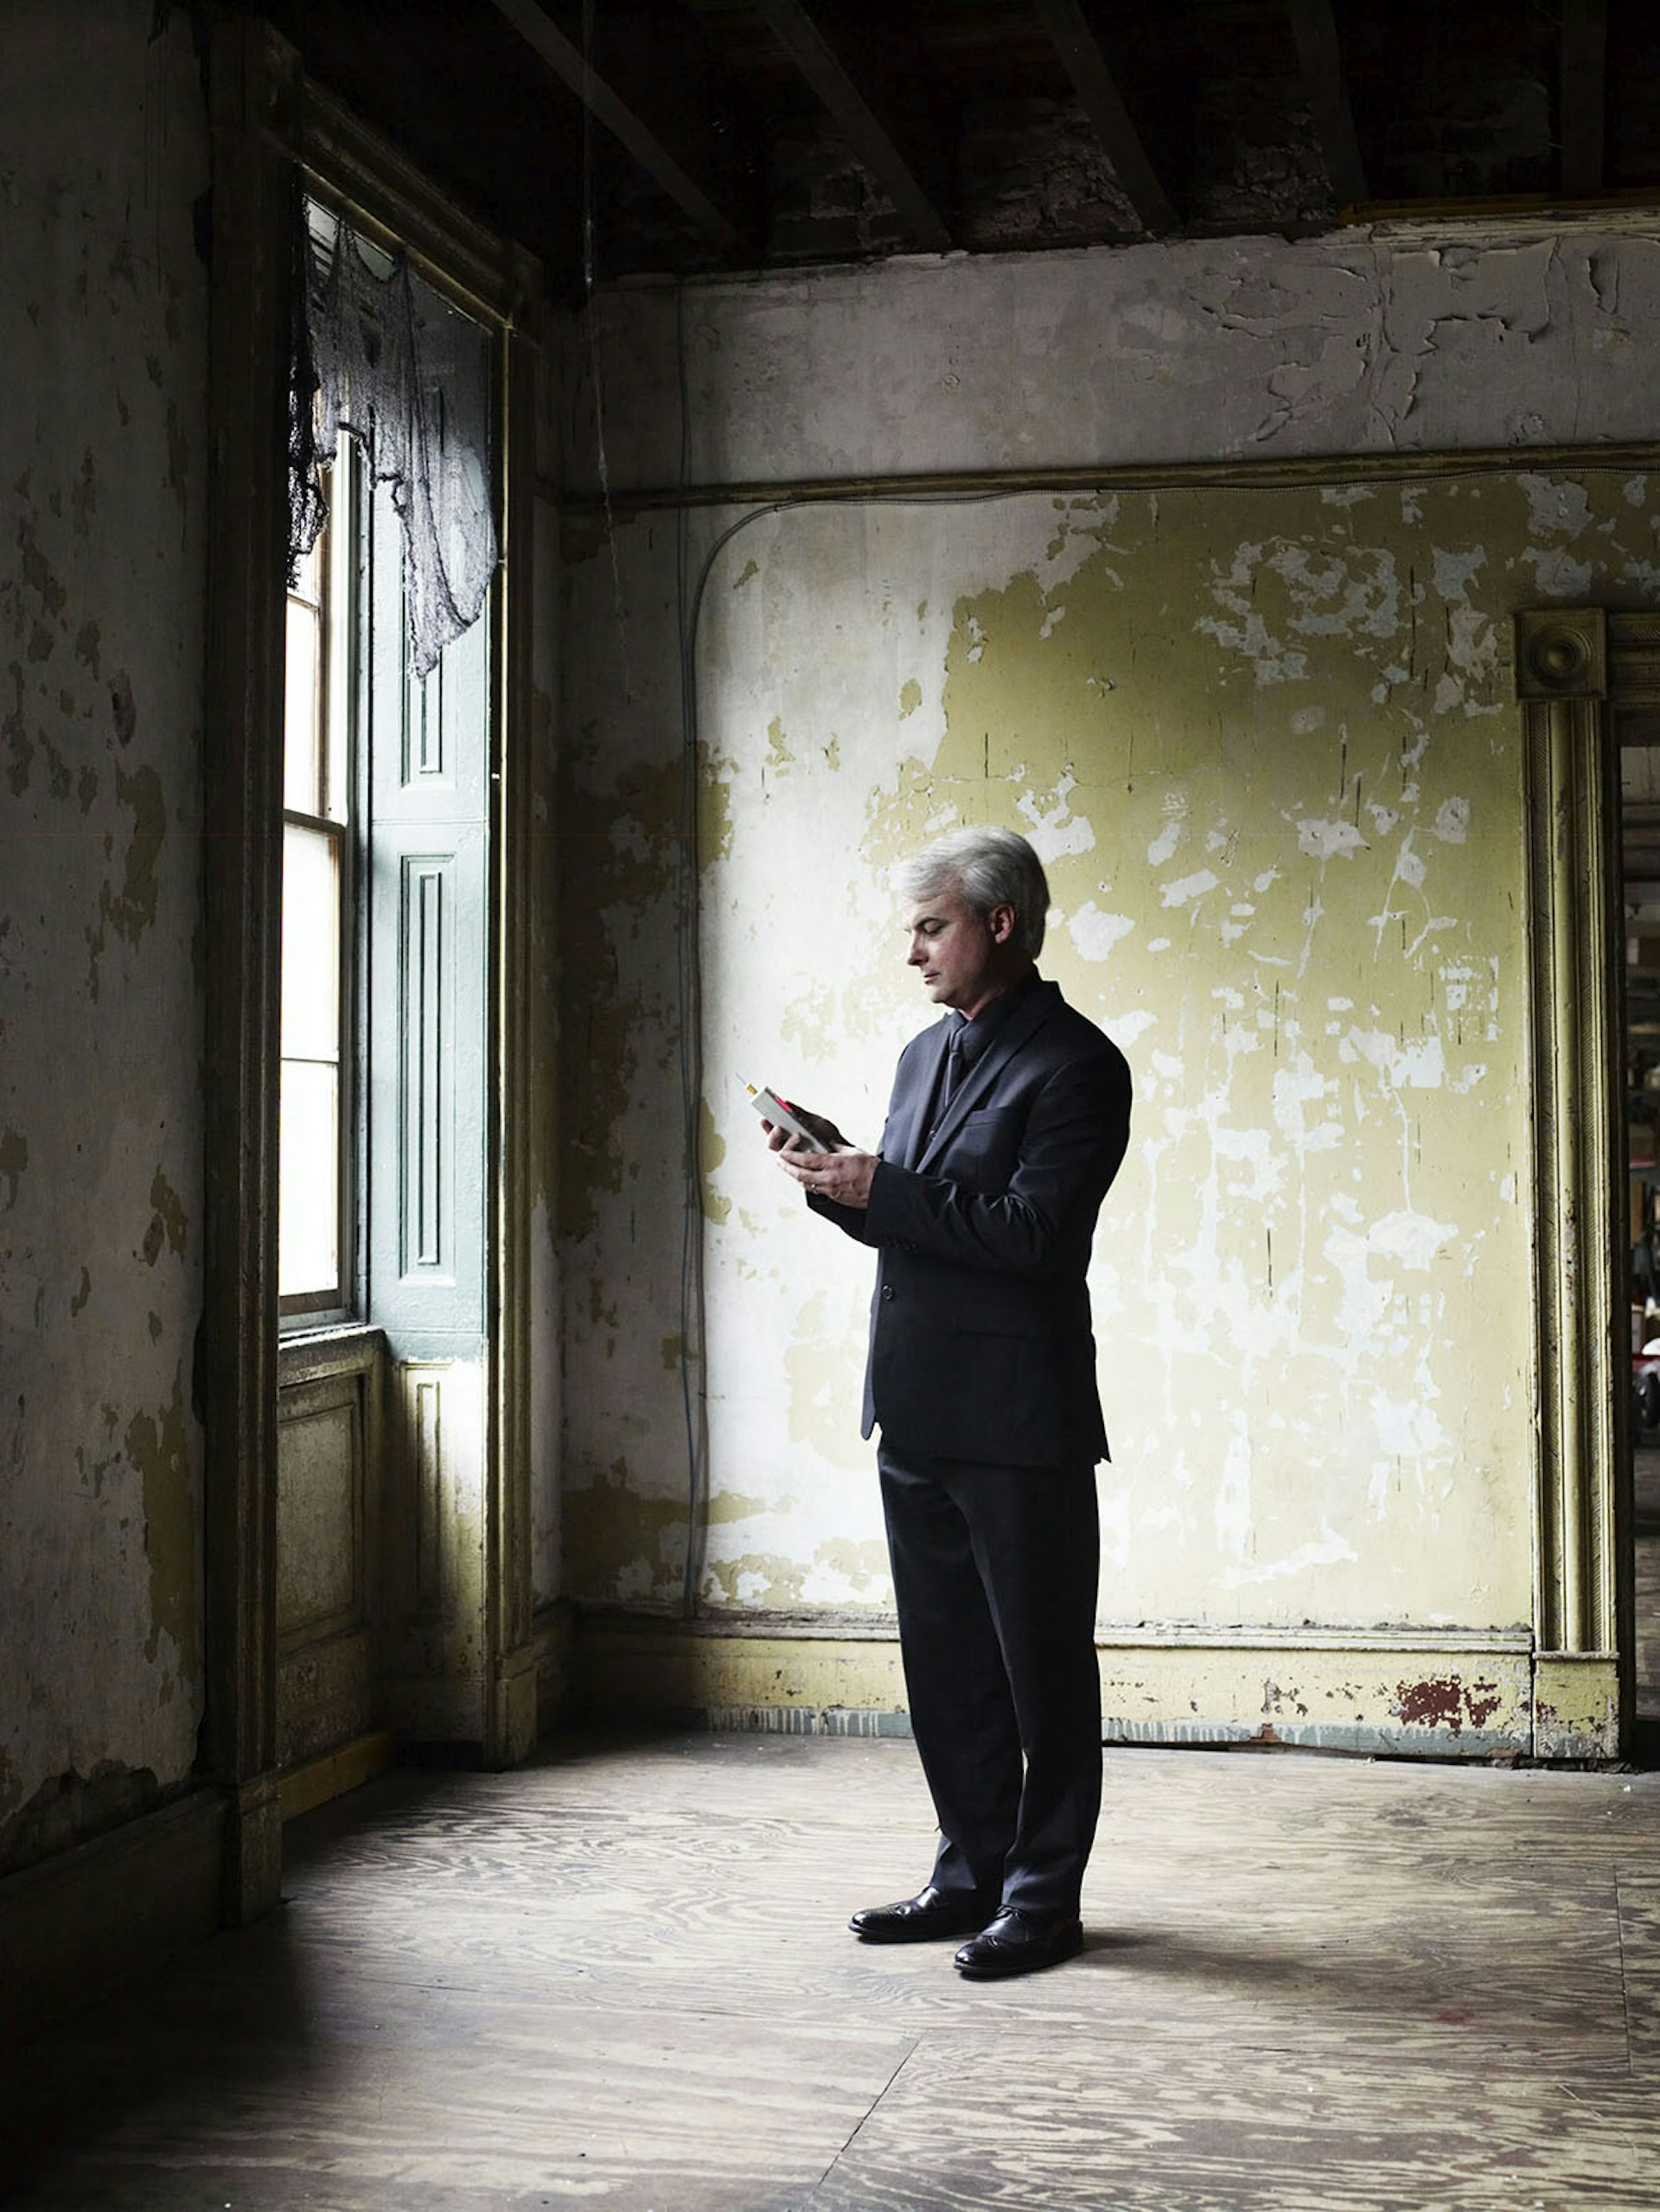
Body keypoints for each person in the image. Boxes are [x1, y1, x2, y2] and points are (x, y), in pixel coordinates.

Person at [764, 824, 1132, 1980]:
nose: (913, 952)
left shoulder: (1081, 1065)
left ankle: (1040, 1898)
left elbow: (1032, 1237)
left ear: (1002, 924)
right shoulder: (925, 1054)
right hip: (913, 1406)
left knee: (1042, 1672)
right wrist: (835, 1180)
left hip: (1020, 1425)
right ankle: (970, 1870)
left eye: (931, 927)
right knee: (947, 1667)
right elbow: (913, 1216)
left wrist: (892, 1187)